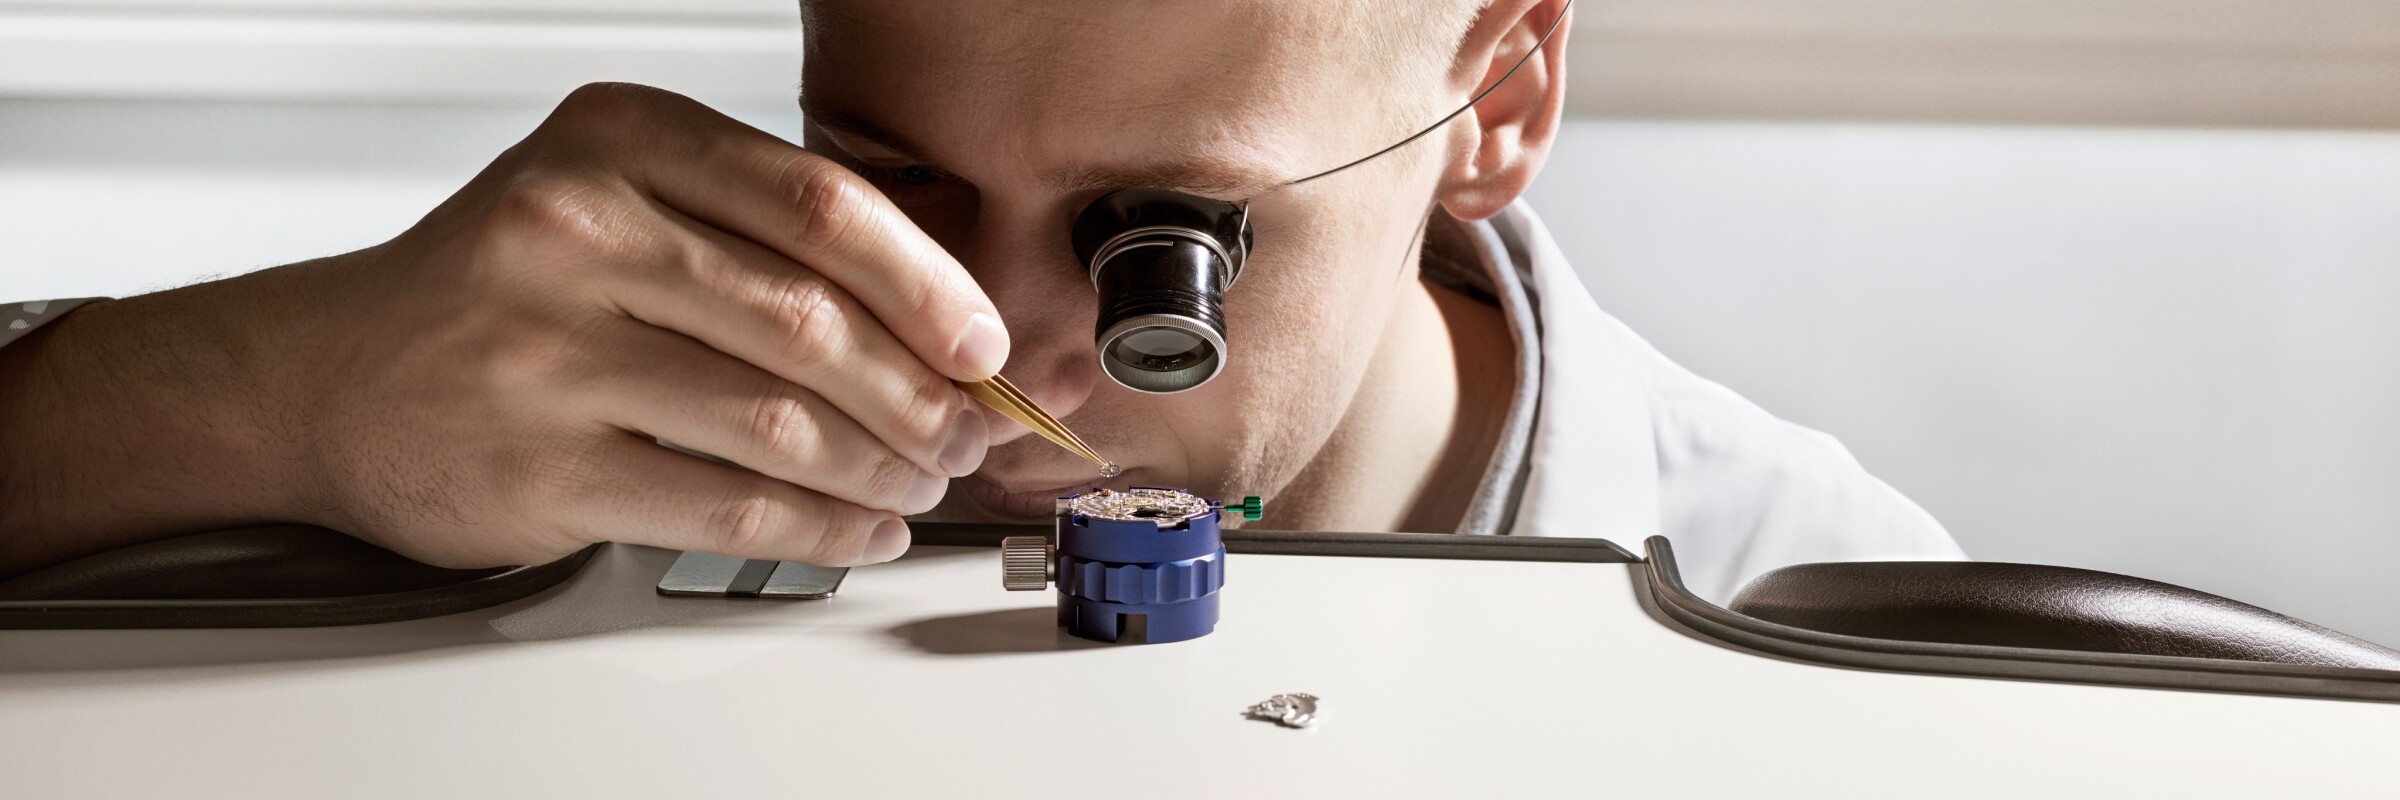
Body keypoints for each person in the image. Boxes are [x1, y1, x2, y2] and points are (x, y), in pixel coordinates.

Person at [0, 0, 1962, 601]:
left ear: (1501, 100)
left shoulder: (1834, 626)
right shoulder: (520, 435)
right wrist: (258, 392)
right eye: (896, 190)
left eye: (1155, 248)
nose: (983, 349)